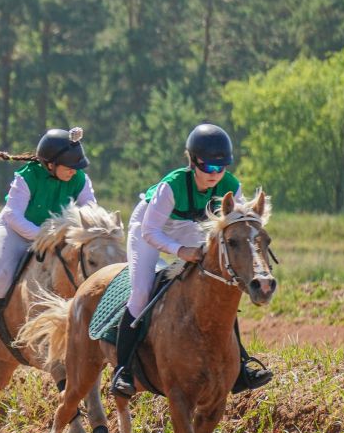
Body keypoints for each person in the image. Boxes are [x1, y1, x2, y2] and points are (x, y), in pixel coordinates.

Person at [110, 123, 272, 397]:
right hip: (150, 226)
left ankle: (241, 364)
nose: (215, 175)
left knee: (223, 287)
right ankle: (123, 370)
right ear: (193, 161)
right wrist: (181, 251)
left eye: (221, 168)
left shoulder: (231, 185)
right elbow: (151, 231)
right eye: (208, 168)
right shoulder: (171, 187)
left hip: (188, 225)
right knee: (139, 293)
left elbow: (240, 221)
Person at [0, 127, 96, 360]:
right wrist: (43, 236)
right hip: (15, 231)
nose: (74, 171)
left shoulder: (80, 180)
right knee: (0, 276)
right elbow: (13, 216)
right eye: (69, 166)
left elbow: (90, 211)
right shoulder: (26, 177)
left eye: (77, 167)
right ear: (50, 164)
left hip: (53, 236)